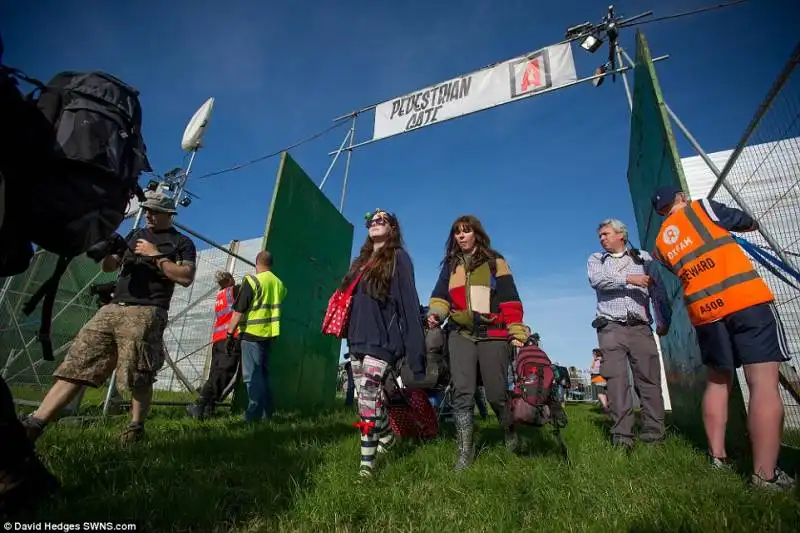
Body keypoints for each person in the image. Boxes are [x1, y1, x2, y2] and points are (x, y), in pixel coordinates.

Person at [21, 192, 196, 443]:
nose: (148, 214)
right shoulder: (135, 235)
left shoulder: (181, 242)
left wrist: (156, 255)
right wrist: (110, 252)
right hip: (113, 307)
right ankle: (35, 423)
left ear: (168, 215)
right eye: (146, 209)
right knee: (79, 361)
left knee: (138, 372)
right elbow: (109, 267)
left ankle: (135, 427)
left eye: (154, 211)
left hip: (146, 310)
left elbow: (185, 277)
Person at [650, 186, 795, 491]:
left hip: (706, 313)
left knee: (717, 382)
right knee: (763, 383)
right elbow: (744, 220)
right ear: (680, 198)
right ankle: (765, 475)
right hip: (745, 301)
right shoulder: (703, 208)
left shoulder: (660, 244)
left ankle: (718, 459)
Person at [428, 215, 527, 470]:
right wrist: (435, 314)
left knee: (496, 394)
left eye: (466, 231)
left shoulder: (496, 261)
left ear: (476, 234)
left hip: (493, 333)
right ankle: (465, 452)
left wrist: (516, 331)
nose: (461, 236)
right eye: (457, 233)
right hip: (460, 333)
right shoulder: (451, 265)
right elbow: (440, 297)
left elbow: (510, 298)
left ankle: (509, 431)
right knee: (462, 392)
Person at [340, 208, 425, 478]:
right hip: (357, 339)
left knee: (367, 399)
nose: (375, 223)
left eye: (382, 220)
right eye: (371, 221)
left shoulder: (399, 259)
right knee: (365, 400)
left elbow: (410, 305)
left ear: (393, 228)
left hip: (383, 340)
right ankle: (387, 439)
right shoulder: (360, 262)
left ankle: (366, 465)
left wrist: (415, 351)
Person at [587, 218, 671, 451]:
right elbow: (597, 281)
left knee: (649, 380)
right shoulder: (596, 259)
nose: (602, 239)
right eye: (600, 236)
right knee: (616, 381)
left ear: (621, 235)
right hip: (610, 327)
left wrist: (664, 320)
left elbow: (658, 289)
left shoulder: (643, 258)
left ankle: (654, 434)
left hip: (641, 327)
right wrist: (628, 279)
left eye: (606, 234)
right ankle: (622, 436)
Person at [224, 251, 286, 423]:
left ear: (256, 263)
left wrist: (230, 333)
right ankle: (267, 414)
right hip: (269, 335)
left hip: (251, 334)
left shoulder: (252, 281)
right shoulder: (278, 284)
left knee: (252, 377)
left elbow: (239, 311)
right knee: (264, 375)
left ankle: (253, 415)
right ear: (271, 264)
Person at [187, 271, 242, 420]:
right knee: (223, 372)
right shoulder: (234, 291)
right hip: (230, 337)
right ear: (230, 279)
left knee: (215, 372)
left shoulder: (219, 295)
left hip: (218, 338)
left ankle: (207, 410)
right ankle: (200, 403)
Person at [590, 348, 610, 413]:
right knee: (602, 393)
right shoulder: (595, 360)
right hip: (596, 379)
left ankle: (606, 407)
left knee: (600, 394)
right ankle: (606, 406)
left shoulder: (599, 360)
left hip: (599, 378)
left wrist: (592, 371)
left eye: (594, 353)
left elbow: (598, 369)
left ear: (597, 353)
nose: (593, 355)